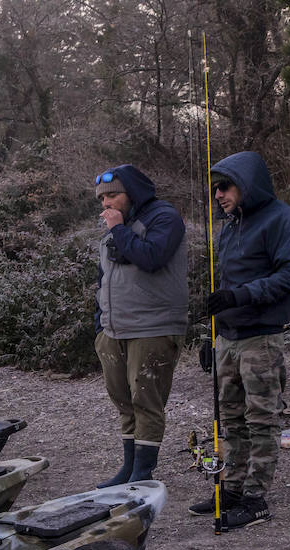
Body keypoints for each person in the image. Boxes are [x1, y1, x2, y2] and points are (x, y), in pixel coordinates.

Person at [189, 151, 290, 531]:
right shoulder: (230, 226)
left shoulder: (282, 219)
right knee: (232, 420)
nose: (219, 195)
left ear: (247, 184)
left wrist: (242, 297)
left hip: (261, 340)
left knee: (261, 419)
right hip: (230, 338)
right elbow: (224, 286)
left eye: (225, 186)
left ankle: (256, 499)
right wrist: (214, 333)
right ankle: (232, 488)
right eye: (215, 189)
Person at [91, 165, 189, 487]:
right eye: (102, 197)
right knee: (124, 401)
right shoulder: (115, 224)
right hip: (114, 330)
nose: (106, 203)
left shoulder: (164, 218)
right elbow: (104, 277)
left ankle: (142, 475)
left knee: (146, 401)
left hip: (153, 327)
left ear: (131, 194)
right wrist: (100, 324)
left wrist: (119, 229)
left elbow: (151, 257)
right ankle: (128, 469)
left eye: (113, 195)